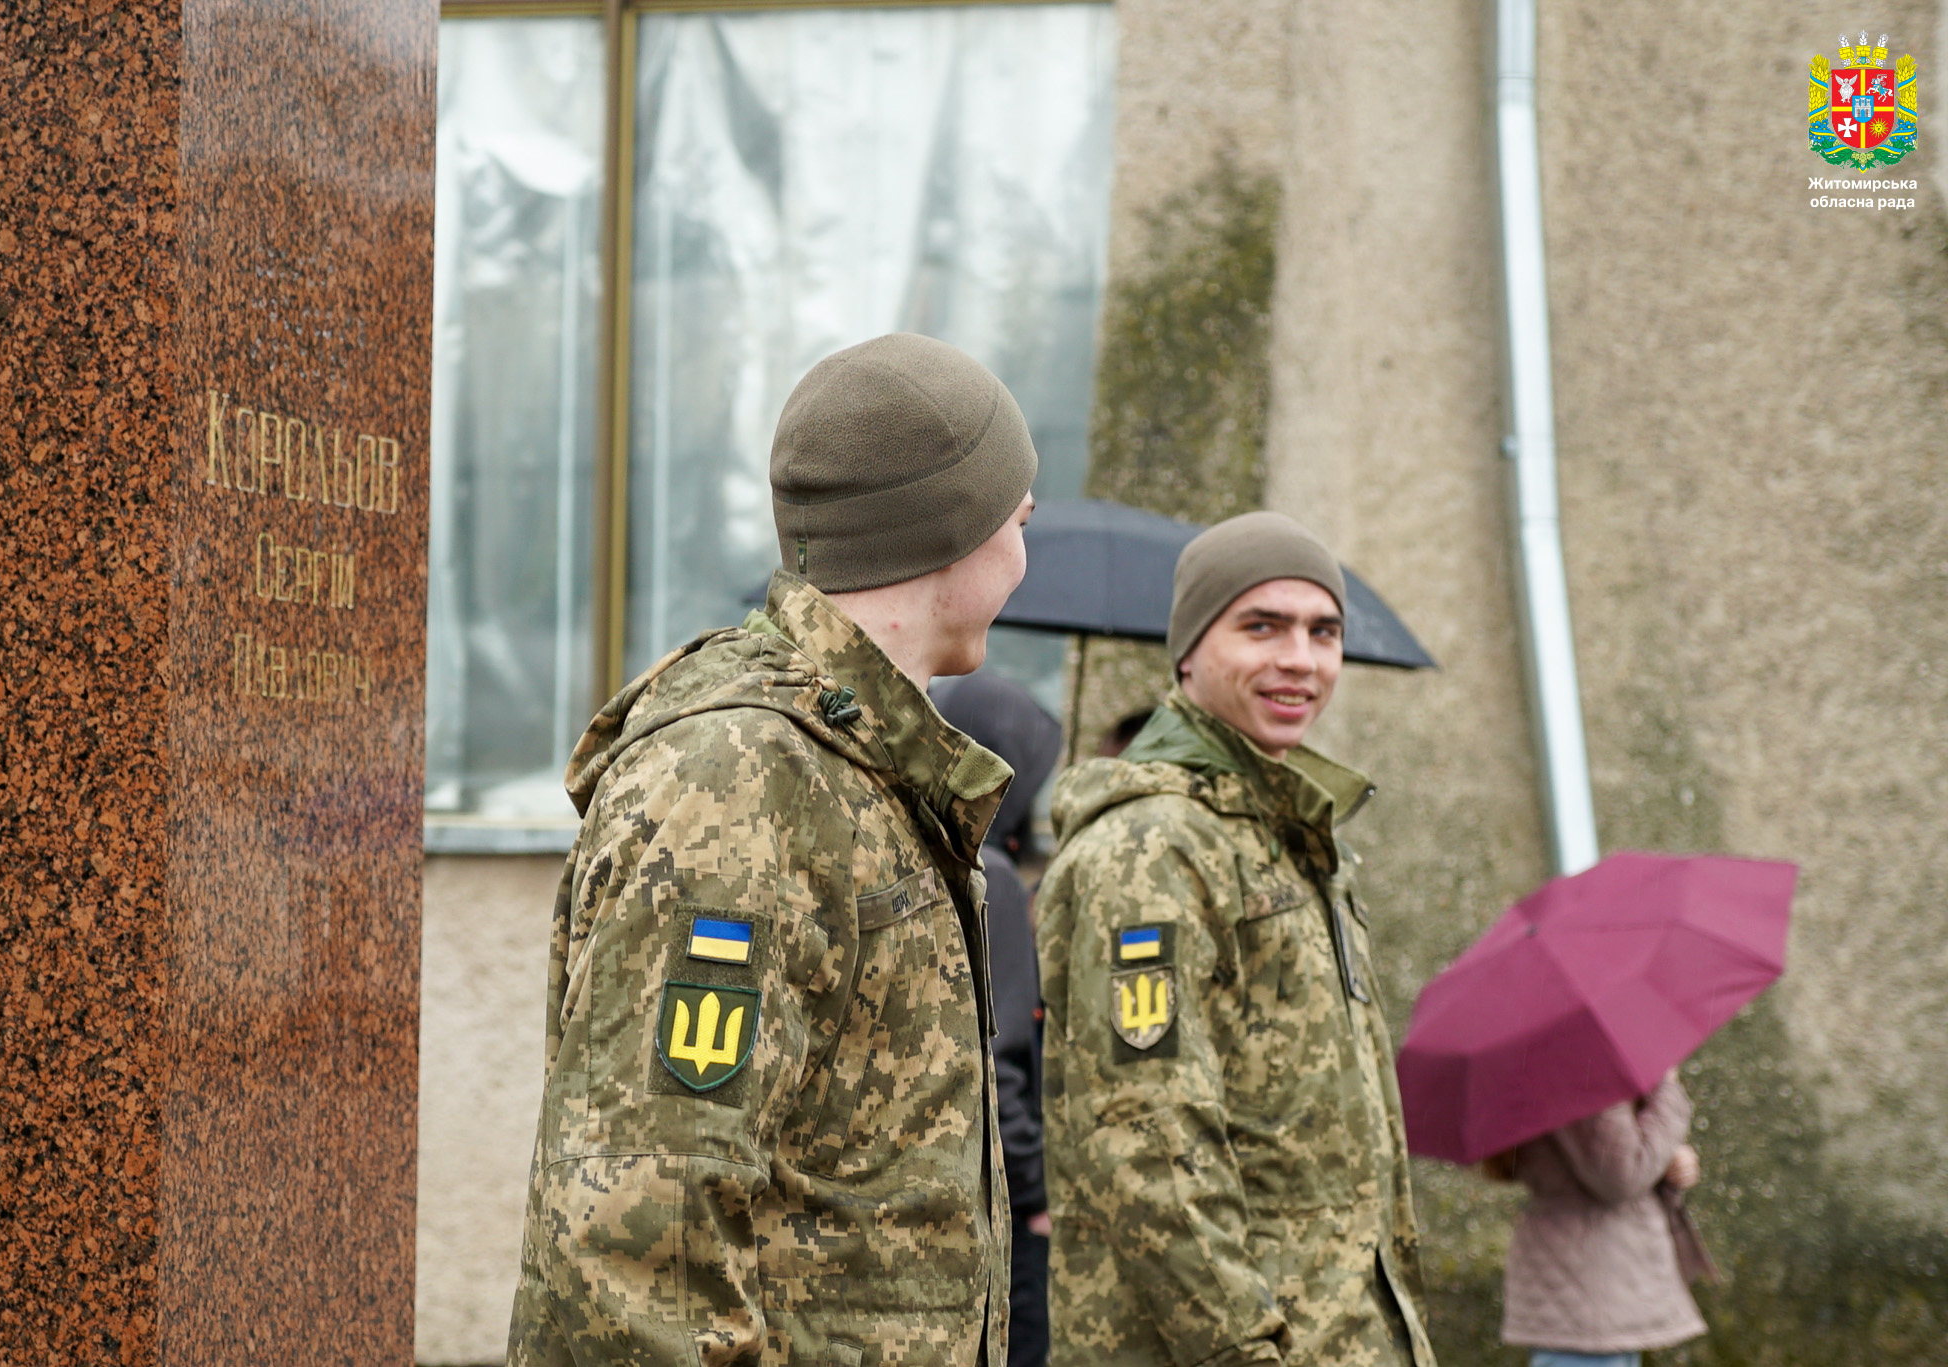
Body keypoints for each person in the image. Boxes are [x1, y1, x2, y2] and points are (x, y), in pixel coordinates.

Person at [509, 332, 1037, 1367]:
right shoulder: (741, 778)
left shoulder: (863, 760)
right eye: (1019, 520)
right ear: (955, 528)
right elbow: (638, 1250)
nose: (1027, 549)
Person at [1035, 510, 1437, 1367]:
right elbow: (1146, 1140)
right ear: (1188, 652)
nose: (1300, 657)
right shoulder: (1152, 848)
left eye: (1323, 631)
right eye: (1262, 626)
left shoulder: (1293, 835)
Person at [936, 674, 1066, 1367]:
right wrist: (1038, 1195)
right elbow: (1001, 1055)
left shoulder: (937, 854)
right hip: (1004, 1207)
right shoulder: (997, 879)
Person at [1494, 1071, 1711, 1367]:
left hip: (1591, 1283)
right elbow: (1622, 1177)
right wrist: (1666, 1089)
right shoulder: (1583, 1076)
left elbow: (1596, 1165)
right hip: (1590, 1286)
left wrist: (1664, 1162)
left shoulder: (1556, 1073)